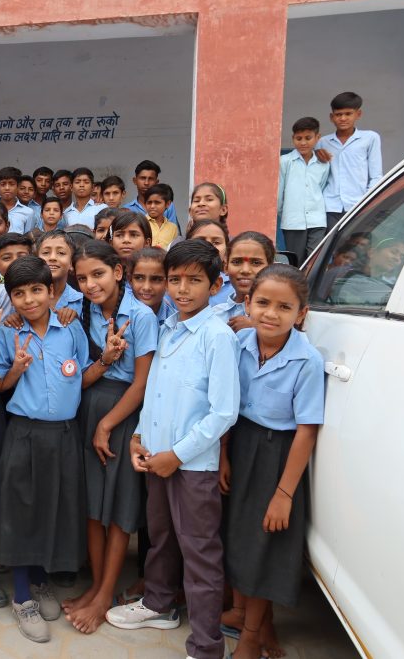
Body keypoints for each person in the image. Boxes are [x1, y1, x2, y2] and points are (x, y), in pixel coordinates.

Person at [106, 239, 240, 659]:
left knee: (198, 552)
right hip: (156, 457)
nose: (182, 290)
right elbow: (157, 393)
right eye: (175, 280)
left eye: (194, 281)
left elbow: (223, 413)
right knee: (161, 538)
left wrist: (176, 455)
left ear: (215, 286)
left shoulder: (217, 336)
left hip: (191, 466)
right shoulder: (168, 327)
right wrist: (138, 438)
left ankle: (206, 645)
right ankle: (159, 604)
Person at [0, 255, 93, 643]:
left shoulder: (71, 328)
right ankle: (23, 595)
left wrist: (109, 360)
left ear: (51, 292)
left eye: (37, 290)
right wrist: (17, 369)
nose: (29, 300)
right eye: (19, 293)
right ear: (10, 297)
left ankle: (42, 577)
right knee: (21, 510)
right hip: (24, 434)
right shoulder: (9, 332)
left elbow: (83, 372)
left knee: (51, 508)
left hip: (63, 434)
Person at [220, 264, 324, 659]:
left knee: (263, 546)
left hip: (277, 455)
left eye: (284, 307)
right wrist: (225, 454)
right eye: (262, 303)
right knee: (238, 539)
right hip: (241, 446)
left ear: (301, 314)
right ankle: (255, 621)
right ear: (247, 303)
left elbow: (306, 431)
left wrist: (284, 493)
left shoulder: (306, 361)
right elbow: (230, 406)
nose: (270, 313)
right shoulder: (240, 343)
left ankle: (250, 638)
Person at [63, 240, 157, 634]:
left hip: (123, 412)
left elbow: (142, 383)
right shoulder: (81, 312)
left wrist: (108, 425)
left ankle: (106, 595)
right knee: (92, 505)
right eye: (82, 278)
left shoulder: (140, 315)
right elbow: (80, 376)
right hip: (89, 405)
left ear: (118, 272)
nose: (89, 284)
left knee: (117, 507)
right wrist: (104, 360)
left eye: (97, 274)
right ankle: (96, 586)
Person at [317, 91, 383, 230]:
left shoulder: (370, 138)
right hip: (329, 207)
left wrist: (367, 202)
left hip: (358, 205)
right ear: (331, 117)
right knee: (330, 248)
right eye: (338, 114)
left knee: (355, 248)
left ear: (358, 114)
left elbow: (376, 175)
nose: (343, 118)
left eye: (348, 114)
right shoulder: (323, 142)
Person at [278, 117, 329, 264]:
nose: (303, 142)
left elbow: (322, 187)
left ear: (317, 137)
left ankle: (312, 287)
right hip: (293, 221)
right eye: (298, 138)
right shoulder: (285, 162)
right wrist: (285, 213)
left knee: (315, 259)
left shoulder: (323, 164)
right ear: (293, 138)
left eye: (308, 138)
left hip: (317, 220)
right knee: (296, 261)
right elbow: (279, 193)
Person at [214, 231, 274, 330]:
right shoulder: (216, 315)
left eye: (256, 262)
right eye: (237, 262)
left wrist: (256, 327)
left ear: (271, 268)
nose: (245, 270)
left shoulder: (279, 316)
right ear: (226, 267)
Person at [187, 218, 233, 305]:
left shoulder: (235, 287)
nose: (208, 245)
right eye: (200, 240)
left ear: (226, 251)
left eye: (216, 242)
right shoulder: (175, 282)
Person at [128, 247, 174, 325]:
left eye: (156, 279)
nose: (146, 287)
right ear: (130, 280)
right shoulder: (119, 315)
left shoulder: (174, 321)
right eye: (139, 278)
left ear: (168, 282)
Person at [0, 167, 35, 234]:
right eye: (3, 184)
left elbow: (28, 238)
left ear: (18, 186)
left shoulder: (28, 212)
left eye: (11, 184)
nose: (7, 188)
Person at [143, 184, 179, 249]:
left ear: (168, 204)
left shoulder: (173, 228)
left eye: (157, 202)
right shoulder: (140, 223)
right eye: (149, 202)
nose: (152, 206)